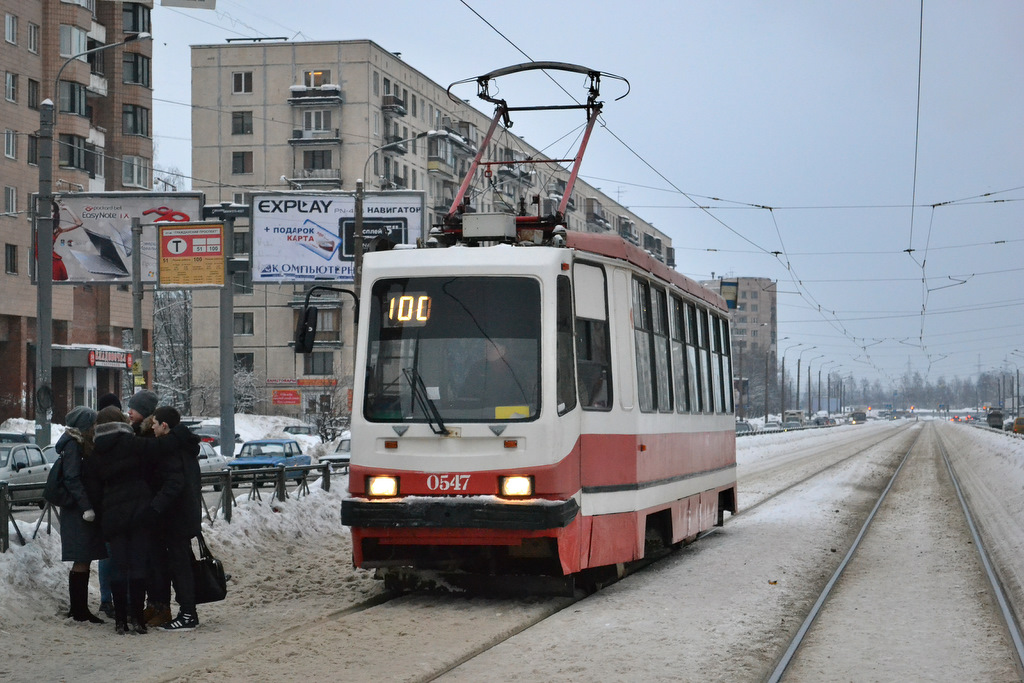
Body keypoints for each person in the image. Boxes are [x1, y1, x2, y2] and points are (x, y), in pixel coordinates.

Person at [92, 406, 161, 635]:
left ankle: (119, 620)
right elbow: (156, 453)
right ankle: (138, 619)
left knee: (118, 567)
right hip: (139, 508)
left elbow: (94, 487)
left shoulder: (96, 450)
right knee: (138, 565)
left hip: (112, 513)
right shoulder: (133, 443)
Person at [150, 406, 203, 630]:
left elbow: (174, 484)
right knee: (183, 564)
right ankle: (188, 612)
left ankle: (188, 614)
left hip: (176, 517)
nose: (151, 427)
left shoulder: (173, 449)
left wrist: (154, 508)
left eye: (154, 423)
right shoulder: (185, 445)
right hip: (186, 514)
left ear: (164, 426)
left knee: (180, 566)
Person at [55, 406, 107, 624]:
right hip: (77, 512)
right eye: (93, 424)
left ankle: (80, 609)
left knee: (83, 557)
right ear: (85, 425)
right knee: (81, 558)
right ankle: (79, 610)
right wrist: (86, 507)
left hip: (77, 510)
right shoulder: (74, 446)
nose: (96, 427)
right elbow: (72, 479)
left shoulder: (75, 444)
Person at [95, 392, 122, 618]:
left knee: (107, 555)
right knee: (122, 555)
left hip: (103, 506)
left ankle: (107, 599)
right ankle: (124, 602)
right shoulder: (127, 439)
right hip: (121, 505)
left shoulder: (93, 440)